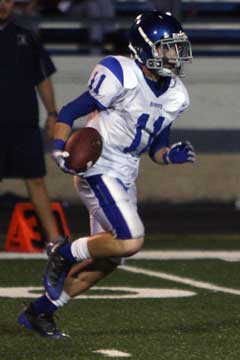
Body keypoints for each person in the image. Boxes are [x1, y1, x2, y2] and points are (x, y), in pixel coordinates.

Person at [18, 11, 196, 338]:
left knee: (110, 257)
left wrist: (170, 155)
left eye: (176, 47)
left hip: (127, 170)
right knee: (132, 238)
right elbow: (72, 111)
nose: (174, 55)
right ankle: (63, 252)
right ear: (144, 50)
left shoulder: (176, 94)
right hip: (99, 163)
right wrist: (59, 146)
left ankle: (39, 311)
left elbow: (156, 147)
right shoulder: (120, 72)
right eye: (166, 48)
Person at [0, 0, 62, 244]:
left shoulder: (26, 37)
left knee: (36, 180)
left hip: (23, 123)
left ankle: (55, 239)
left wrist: (52, 113)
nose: (2, 5)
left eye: (7, 0)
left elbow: (43, 79)